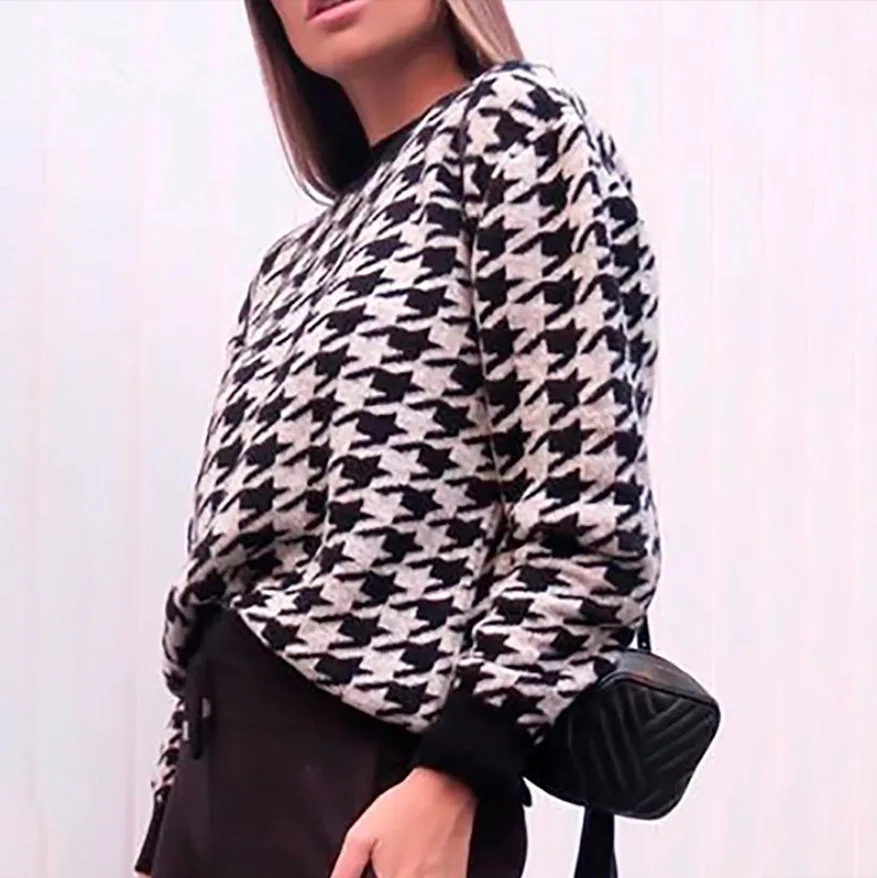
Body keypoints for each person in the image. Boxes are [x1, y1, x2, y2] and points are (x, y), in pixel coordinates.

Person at [134, 0, 661, 876]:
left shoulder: (513, 129)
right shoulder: (290, 265)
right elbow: (230, 585)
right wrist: (164, 830)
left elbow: (589, 514)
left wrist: (457, 773)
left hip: (373, 791)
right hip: (218, 782)